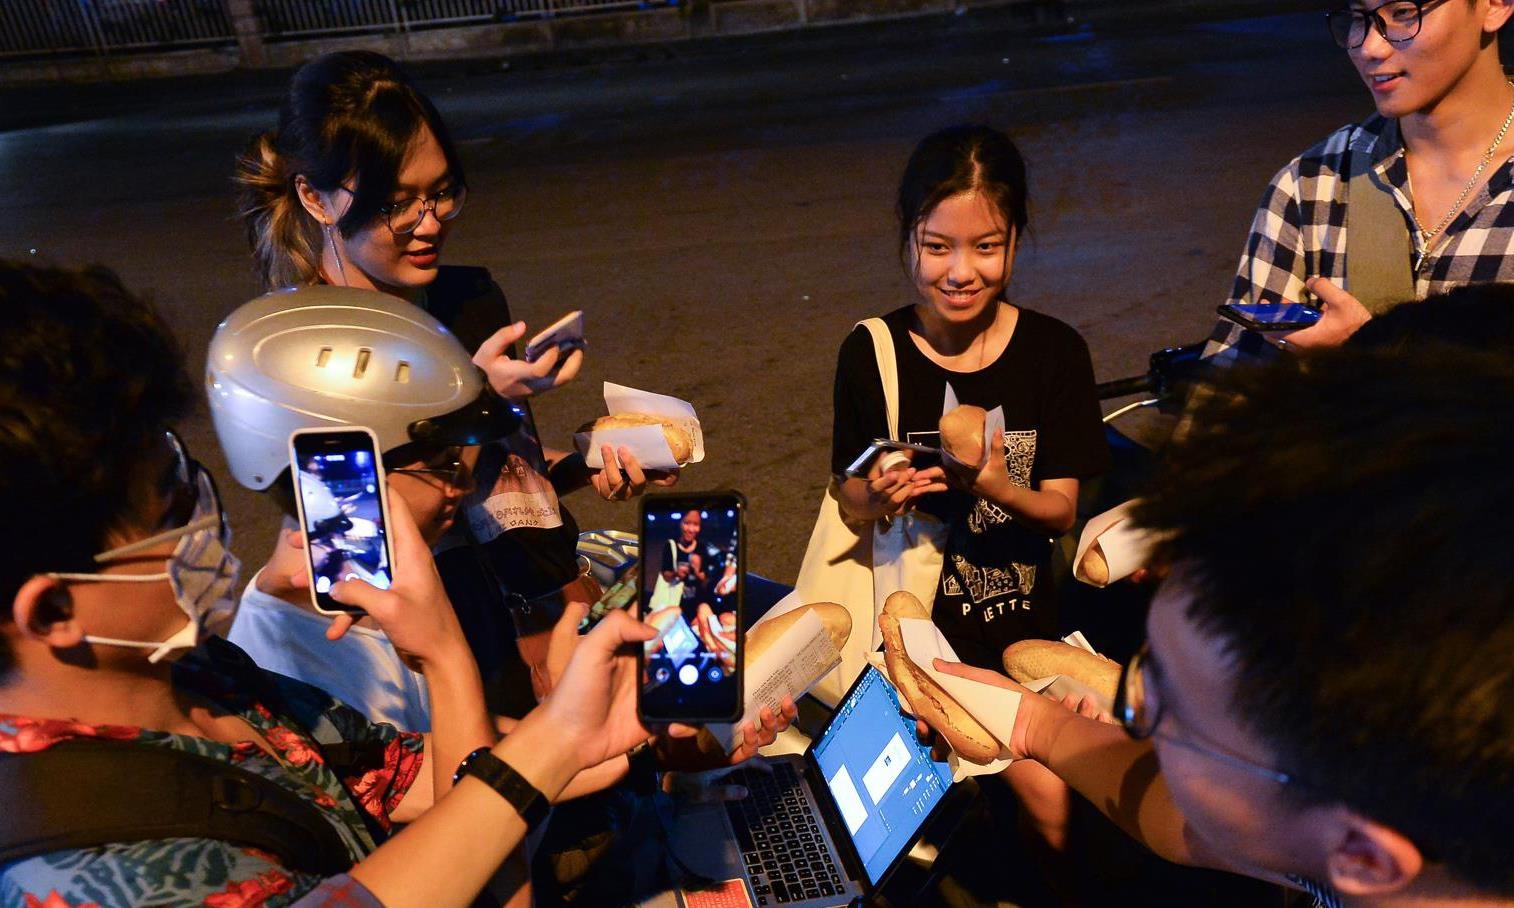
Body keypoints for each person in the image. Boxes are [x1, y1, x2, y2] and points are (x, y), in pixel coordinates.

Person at [0, 260, 685, 908]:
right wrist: (444, 658)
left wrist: (598, 721)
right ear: (54, 609)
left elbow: (400, 776)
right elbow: (485, 880)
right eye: (174, 510)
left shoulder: (205, 678)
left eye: (193, 476)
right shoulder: (106, 878)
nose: (209, 520)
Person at [924, 341, 1514, 907]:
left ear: (1362, 858)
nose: (1128, 710)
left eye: (1165, 713)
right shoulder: (1385, 830)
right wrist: (1034, 725)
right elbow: (1187, 823)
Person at [234, 50, 675, 718]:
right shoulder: (305, 357)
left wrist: (589, 463)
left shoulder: (466, 300)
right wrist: (481, 403)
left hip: (555, 604)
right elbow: (358, 546)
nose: (430, 222)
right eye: (394, 204)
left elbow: (504, 483)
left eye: (440, 191)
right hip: (446, 651)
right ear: (313, 198)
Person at [828, 124, 1109, 895]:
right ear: (907, 239)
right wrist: (875, 492)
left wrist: (994, 486)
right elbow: (845, 496)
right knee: (916, 830)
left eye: (986, 246)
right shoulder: (873, 351)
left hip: (1024, 639)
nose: (961, 272)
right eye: (936, 246)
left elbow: (1059, 514)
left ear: (1016, 239)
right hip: (914, 636)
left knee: (1057, 807)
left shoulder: (1055, 352)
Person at [1227, 0, 1514, 349]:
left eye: (1404, 13)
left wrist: (1361, 356)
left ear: (1495, 5)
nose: (1368, 48)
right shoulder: (1312, 184)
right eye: (1358, 18)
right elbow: (1233, 386)